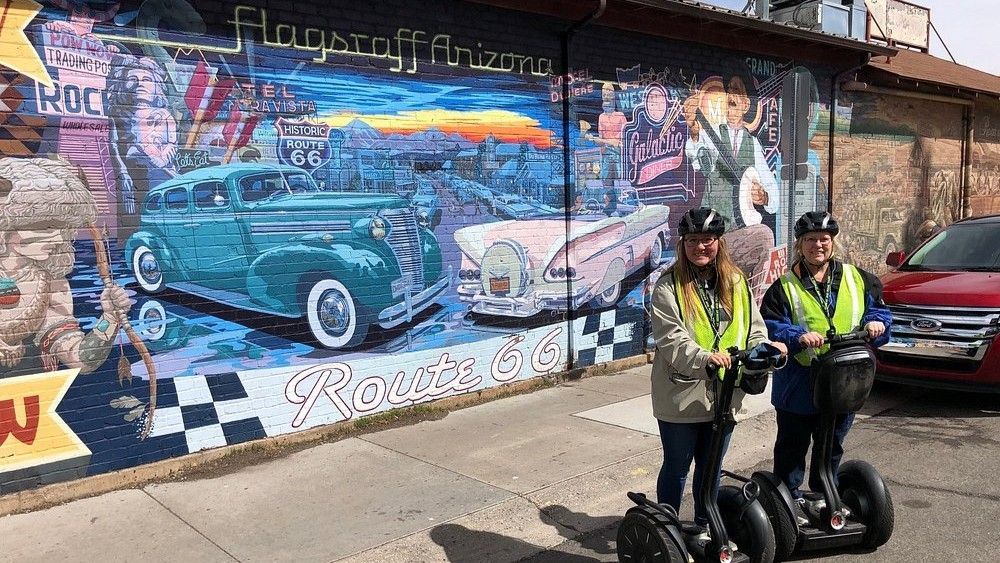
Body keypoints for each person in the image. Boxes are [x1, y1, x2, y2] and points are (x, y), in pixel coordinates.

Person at [650, 207, 787, 536]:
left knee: (711, 468)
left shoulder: (736, 281)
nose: (700, 247)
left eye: (707, 240)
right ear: (683, 244)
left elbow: (753, 328)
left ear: (719, 242)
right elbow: (672, 340)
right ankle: (666, 531)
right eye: (693, 240)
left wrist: (765, 349)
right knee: (678, 466)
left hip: (726, 394)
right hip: (682, 396)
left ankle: (704, 525)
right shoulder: (669, 287)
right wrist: (705, 359)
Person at [760, 211, 891, 514]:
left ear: (833, 242)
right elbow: (770, 325)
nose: (817, 245)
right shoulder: (784, 287)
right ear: (799, 244)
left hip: (844, 381)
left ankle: (823, 493)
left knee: (832, 444)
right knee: (792, 447)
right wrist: (798, 335)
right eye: (810, 240)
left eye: (823, 239)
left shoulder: (858, 278)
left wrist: (876, 324)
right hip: (799, 382)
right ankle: (788, 500)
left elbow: (880, 312)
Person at [0, 157, 132, 377]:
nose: (56, 238)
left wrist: (109, 319)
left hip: (30, 403)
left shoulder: (51, 286)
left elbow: (80, 359)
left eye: (62, 228)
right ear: (5, 227)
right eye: (44, 227)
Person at [684, 76, 779, 232]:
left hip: (741, 227)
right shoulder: (712, 133)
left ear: (746, 104)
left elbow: (771, 187)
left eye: (736, 89)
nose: (730, 93)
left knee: (765, 234)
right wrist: (694, 133)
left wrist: (765, 197)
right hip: (712, 225)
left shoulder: (753, 143)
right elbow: (697, 159)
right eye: (728, 89)